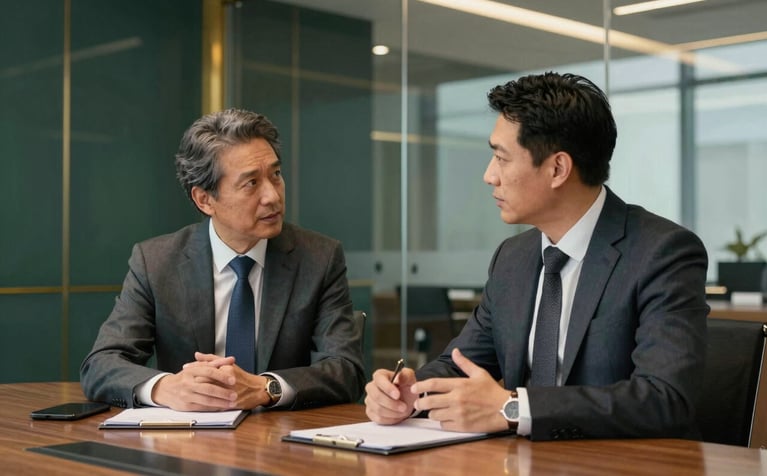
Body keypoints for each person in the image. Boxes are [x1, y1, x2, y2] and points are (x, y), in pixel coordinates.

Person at [364, 72, 709, 441]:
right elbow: (462, 363)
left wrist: (513, 408)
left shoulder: (662, 253)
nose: (488, 176)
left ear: (557, 169)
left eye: (501, 158)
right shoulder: (513, 258)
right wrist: (409, 392)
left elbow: (664, 398)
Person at [81, 108, 365, 411]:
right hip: (188, 445)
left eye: (276, 175)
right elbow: (101, 363)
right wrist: (165, 388)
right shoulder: (156, 262)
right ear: (204, 199)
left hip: (283, 442)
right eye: (251, 183)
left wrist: (266, 387)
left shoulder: (319, 258)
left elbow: (346, 368)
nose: (272, 196)